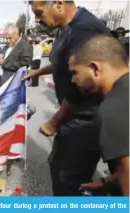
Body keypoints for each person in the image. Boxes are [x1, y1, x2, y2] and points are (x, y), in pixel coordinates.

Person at [25, 0, 110, 196]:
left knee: (68, 177)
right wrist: (38, 71)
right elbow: (62, 62)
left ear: (59, 4)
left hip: (86, 118)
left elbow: (83, 85)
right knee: (60, 167)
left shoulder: (84, 31)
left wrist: (54, 122)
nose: (38, 20)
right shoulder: (65, 28)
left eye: (39, 12)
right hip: (75, 116)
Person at [69, 35, 129, 196]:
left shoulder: (113, 108)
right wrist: (106, 182)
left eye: (75, 73)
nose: (73, 80)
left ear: (95, 68)